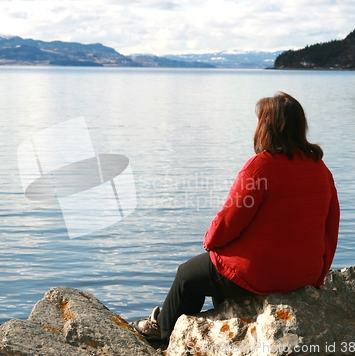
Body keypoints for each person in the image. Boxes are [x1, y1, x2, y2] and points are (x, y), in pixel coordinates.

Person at [132, 92, 340, 345]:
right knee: (219, 273)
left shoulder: (261, 166)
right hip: (304, 272)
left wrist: (210, 242)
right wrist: (318, 273)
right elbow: (331, 226)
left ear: (267, 126)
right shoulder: (320, 168)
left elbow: (231, 219)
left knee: (187, 275)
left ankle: (165, 339)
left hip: (264, 274)